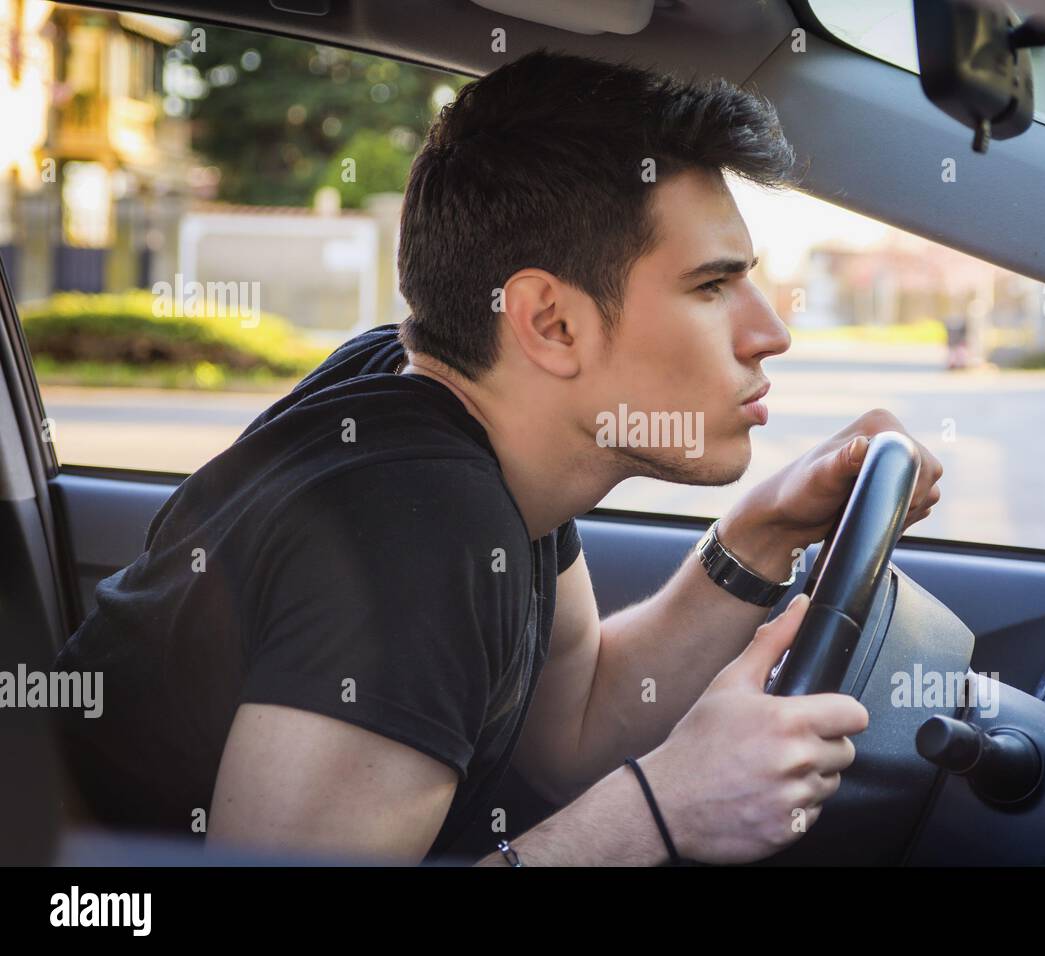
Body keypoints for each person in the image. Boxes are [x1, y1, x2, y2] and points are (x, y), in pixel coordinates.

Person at [54, 49, 941, 866]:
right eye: (712, 285)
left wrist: (758, 539)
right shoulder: (417, 531)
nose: (771, 332)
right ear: (549, 323)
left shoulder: (433, 402)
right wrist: (664, 812)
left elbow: (575, 722)